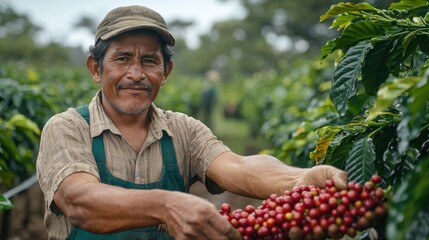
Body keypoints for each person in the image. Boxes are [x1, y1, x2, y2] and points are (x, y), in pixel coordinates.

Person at [36, 5, 348, 240]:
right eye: (122, 58)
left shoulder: (183, 130)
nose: (136, 74)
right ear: (95, 68)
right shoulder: (67, 128)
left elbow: (239, 167)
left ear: (166, 71)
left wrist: (298, 179)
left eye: (149, 61)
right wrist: (165, 205)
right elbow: (80, 201)